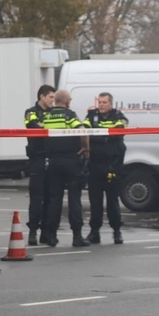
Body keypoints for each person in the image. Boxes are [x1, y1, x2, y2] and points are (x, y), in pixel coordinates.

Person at [41, 90, 89, 247]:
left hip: (53, 161)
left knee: (55, 199)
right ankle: (77, 236)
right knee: (74, 199)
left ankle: (52, 236)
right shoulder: (69, 115)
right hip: (71, 161)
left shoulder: (47, 116)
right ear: (67, 101)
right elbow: (82, 131)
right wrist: (85, 148)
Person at [85, 92, 128, 244]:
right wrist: (105, 138)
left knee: (112, 201)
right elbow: (86, 132)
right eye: (99, 102)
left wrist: (98, 138)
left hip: (113, 165)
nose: (101, 105)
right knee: (95, 201)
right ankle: (94, 232)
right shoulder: (91, 115)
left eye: (104, 102)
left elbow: (118, 133)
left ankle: (117, 231)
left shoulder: (118, 116)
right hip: (95, 165)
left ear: (111, 104)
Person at [24, 85, 55, 246]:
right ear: (42, 97)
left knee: (51, 197)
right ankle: (33, 231)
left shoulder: (54, 113)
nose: (52, 101)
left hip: (52, 158)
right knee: (37, 198)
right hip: (37, 159)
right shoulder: (31, 112)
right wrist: (49, 127)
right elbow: (34, 127)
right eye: (50, 97)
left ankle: (47, 232)